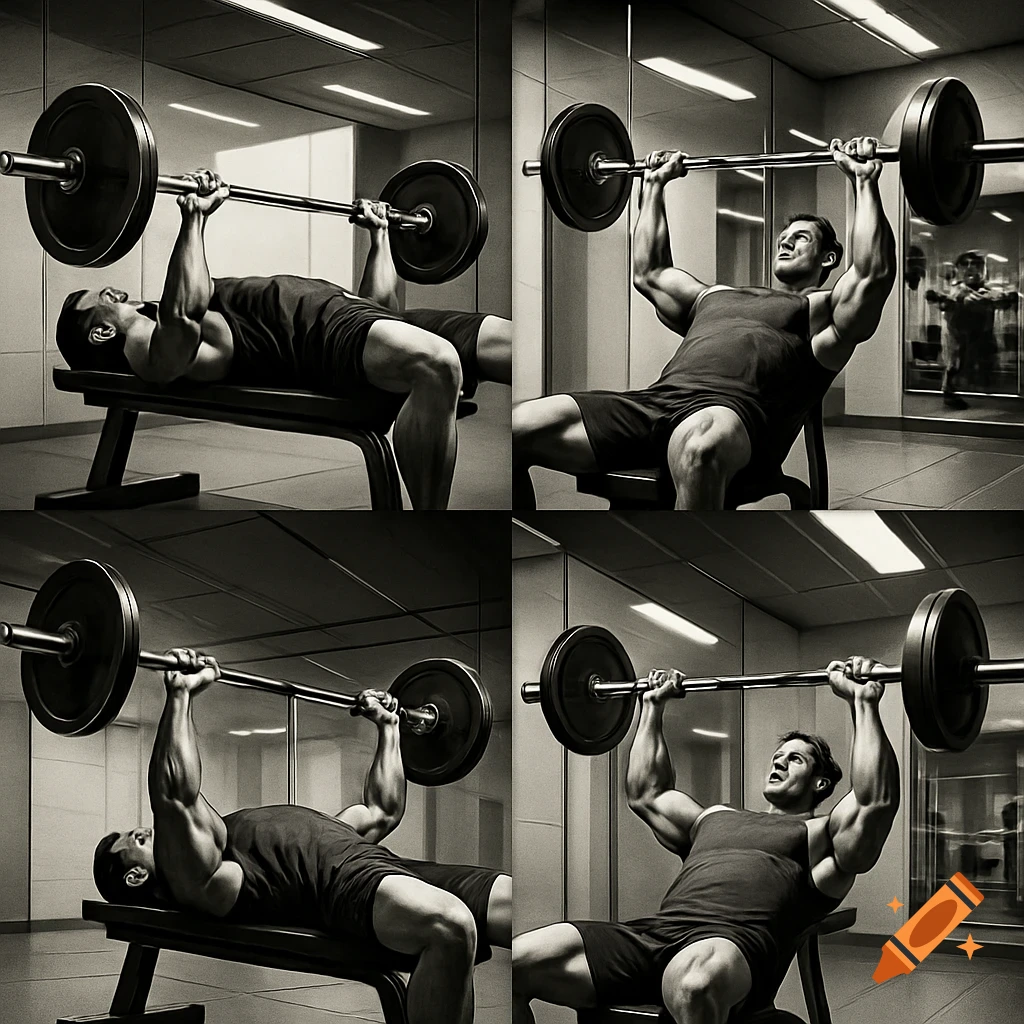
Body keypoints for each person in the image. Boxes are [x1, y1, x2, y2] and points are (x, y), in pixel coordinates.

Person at [92, 649, 511, 1024]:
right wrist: (180, 697)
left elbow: (383, 811)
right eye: (138, 839)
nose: (146, 830)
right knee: (450, 924)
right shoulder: (193, 878)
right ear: (135, 877)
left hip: (382, 864)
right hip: (343, 885)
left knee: (522, 906)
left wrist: (389, 728)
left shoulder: (245, 835)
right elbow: (173, 797)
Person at [55, 170, 512, 510]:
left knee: (512, 343)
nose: (117, 290)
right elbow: (183, 320)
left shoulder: (169, 309)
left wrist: (381, 237)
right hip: (321, 340)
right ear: (102, 330)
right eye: (107, 298)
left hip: (349, 315)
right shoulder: (145, 342)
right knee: (439, 363)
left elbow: (383, 311)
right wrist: (193, 219)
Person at [513, 138, 897, 509]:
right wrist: (654, 185)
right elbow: (650, 273)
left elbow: (870, 276)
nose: (786, 242)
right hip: (654, 404)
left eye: (801, 238)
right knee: (519, 426)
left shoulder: (820, 314)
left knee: (700, 447)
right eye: (783, 236)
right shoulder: (713, 295)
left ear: (828, 259)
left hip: (732, 417)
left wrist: (863, 181)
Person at [513, 657, 899, 1023]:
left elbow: (873, 803)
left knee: (694, 983)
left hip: (729, 949)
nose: (778, 761)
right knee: (520, 960)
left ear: (821, 783)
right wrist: (652, 706)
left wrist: (863, 704)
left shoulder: (820, 836)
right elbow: (646, 793)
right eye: (778, 755)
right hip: (653, 937)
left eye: (795, 759)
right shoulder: (715, 817)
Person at [925, 250, 1018, 410]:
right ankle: (952, 394)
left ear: (984, 269)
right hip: (958, 342)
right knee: (955, 367)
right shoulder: (956, 292)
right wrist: (942, 299)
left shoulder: (989, 292)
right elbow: (945, 302)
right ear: (958, 269)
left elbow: (1002, 300)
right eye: (965, 265)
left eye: (976, 264)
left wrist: (1006, 298)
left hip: (982, 344)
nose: (971, 268)